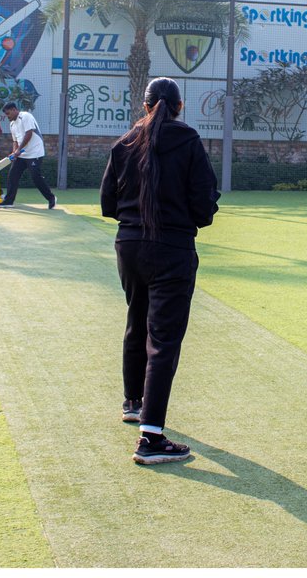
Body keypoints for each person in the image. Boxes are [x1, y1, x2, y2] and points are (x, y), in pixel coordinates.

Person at [100, 77, 220, 465]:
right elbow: (204, 204)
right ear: (179, 106)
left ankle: (134, 402)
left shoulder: (123, 143)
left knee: (137, 321)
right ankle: (150, 438)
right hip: (172, 248)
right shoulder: (188, 141)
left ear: (145, 104)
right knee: (164, 340)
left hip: (130, 246)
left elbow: (108, 202)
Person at [0, 101, 55, 210]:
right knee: (12, 176)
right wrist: (14, 152)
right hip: (22, 154)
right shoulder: (12, 124)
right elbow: (15, 141)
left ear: (14, 110)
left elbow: (29, 134)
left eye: (8, 113)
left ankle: (51, 198)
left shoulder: (26, 116)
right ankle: (8, 201)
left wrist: (18, 150)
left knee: (36, 177)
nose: (7, 116)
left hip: (35, 152)